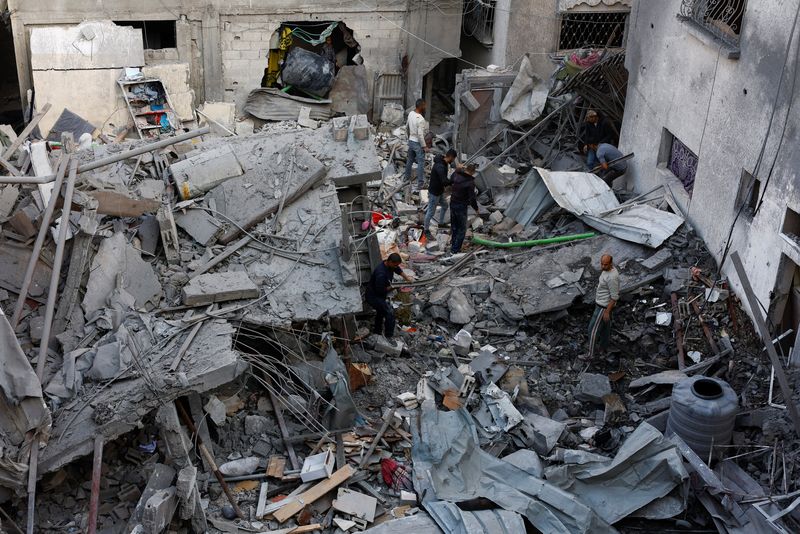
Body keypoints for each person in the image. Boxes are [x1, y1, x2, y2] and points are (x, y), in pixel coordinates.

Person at [365, 253, 413, 340]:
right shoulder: (381, 273)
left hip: (379, 294)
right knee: (389, 313)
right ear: (390, 261)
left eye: (397, 265)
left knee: (381, 312)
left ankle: (377, 331)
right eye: (395, 265)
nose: (396, 266)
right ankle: (389, 336)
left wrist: (407, 278)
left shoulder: (389, 265)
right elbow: (380, 290)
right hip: (373, 296)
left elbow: (398, 269)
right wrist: (393, 286)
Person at [584, 254, 619, 360]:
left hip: (603, 307)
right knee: (605, 330)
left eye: (606, 264)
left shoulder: (612, 277)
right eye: (602, 264)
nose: (603, 266)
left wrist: (607, 312)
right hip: (603, 305)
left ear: (611, 263)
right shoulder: (608, 270)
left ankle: (590, 355)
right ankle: (603, 348)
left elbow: (614, 297)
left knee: (592, 330)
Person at [424, 149, 457, 240]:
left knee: (445, 205)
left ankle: (441, 223)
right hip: (434, 192)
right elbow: (444, 181)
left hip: (439, 191)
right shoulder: (440, 166)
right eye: (453, 159)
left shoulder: (443, 161)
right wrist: (454, 178)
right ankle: (426, 230)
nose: (453, 161)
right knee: (431, 212)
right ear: (450, 157)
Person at [449, 163, 478, 254]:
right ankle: (455, 250)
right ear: (473, 172)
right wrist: (476, 208)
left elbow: (451, 178)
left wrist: (457, 169)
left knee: (454, 226)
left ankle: (453, 245)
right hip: (461, 206)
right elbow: (472, 198)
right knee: (461, 228)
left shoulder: (457, 175)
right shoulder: (470, 183)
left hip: (452, 202)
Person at [404, 99, 429, 192]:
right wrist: (424, 146)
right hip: (417, 143)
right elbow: (420, 135)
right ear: (421, 106)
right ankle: (420, 184)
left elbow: (406, 127)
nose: (425, 107)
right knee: (421, 163)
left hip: (411, 140)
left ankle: (406, 178)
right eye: (424, 105)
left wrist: (409, 138)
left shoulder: (411, 114)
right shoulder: (421, 119)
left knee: (409, 160)